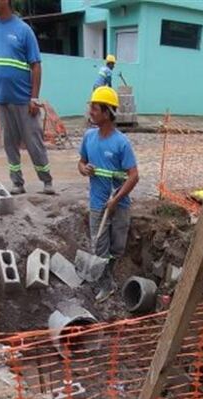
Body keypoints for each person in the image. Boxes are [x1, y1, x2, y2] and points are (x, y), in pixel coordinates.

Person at [0, 0, 54, 194]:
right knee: (9, 142)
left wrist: (34, 98)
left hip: (24, 100)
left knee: (34, 142)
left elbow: (36, 65)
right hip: (1, 99)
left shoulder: (23, 30)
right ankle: (17, 183)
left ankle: (47, 181)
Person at [77, 86, 139, 301]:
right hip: (97, 204)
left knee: (118, 247)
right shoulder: (88, 137)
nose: (91, 112)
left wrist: (116, 199)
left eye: (95, 108)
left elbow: (133, 176)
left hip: (119, 204)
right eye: (91, 107)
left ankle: (108, 272)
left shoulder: (122, 143)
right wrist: (83, 168)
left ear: (107, 112)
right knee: (99, 246)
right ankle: (106, 283)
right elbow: (81, 162)